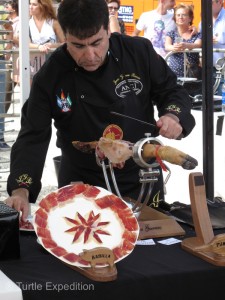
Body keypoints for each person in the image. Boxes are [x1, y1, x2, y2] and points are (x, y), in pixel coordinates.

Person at [5, 0, 195, 221]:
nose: (90, 55)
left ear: (108, 30)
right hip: (81, 181)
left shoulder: (137, 52)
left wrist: (172, 115)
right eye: (78, 46)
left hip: (140, 176)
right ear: (64, 36)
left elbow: (171, 90)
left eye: (97, 42)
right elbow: (32, 134)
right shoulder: (51, 75)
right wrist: (20, 189)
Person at [165, 4, 202, 77]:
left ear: (190, 18)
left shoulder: (197, 34)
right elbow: (167, 46)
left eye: (184, 15)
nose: (180, 17)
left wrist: (186, 45)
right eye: (178, 15)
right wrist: (174, 47)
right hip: (174, 75)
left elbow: (198, 45)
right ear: (175, 18)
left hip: (192, 76)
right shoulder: (171, 33)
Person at [199, 0, 225, 95]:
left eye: (210, 3)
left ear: (220, 2)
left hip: (223, 69)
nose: (206, 5)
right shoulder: (203, 21)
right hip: (208, 68)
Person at [0, 2, 13, 150]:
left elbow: (9, 27)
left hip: (0, 61)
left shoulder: (1, 10)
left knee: (0, 103)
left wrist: (8, 48)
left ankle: (0, 138)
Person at [4, 0, 19, 113]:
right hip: (8, 60)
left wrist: (9, 34)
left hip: (16, 60)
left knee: (6, 92)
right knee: (6, 93)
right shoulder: (7, 22)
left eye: (7, 5)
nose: (5, 7)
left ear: (13, 8)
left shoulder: (20, 22)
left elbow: (23, 41)